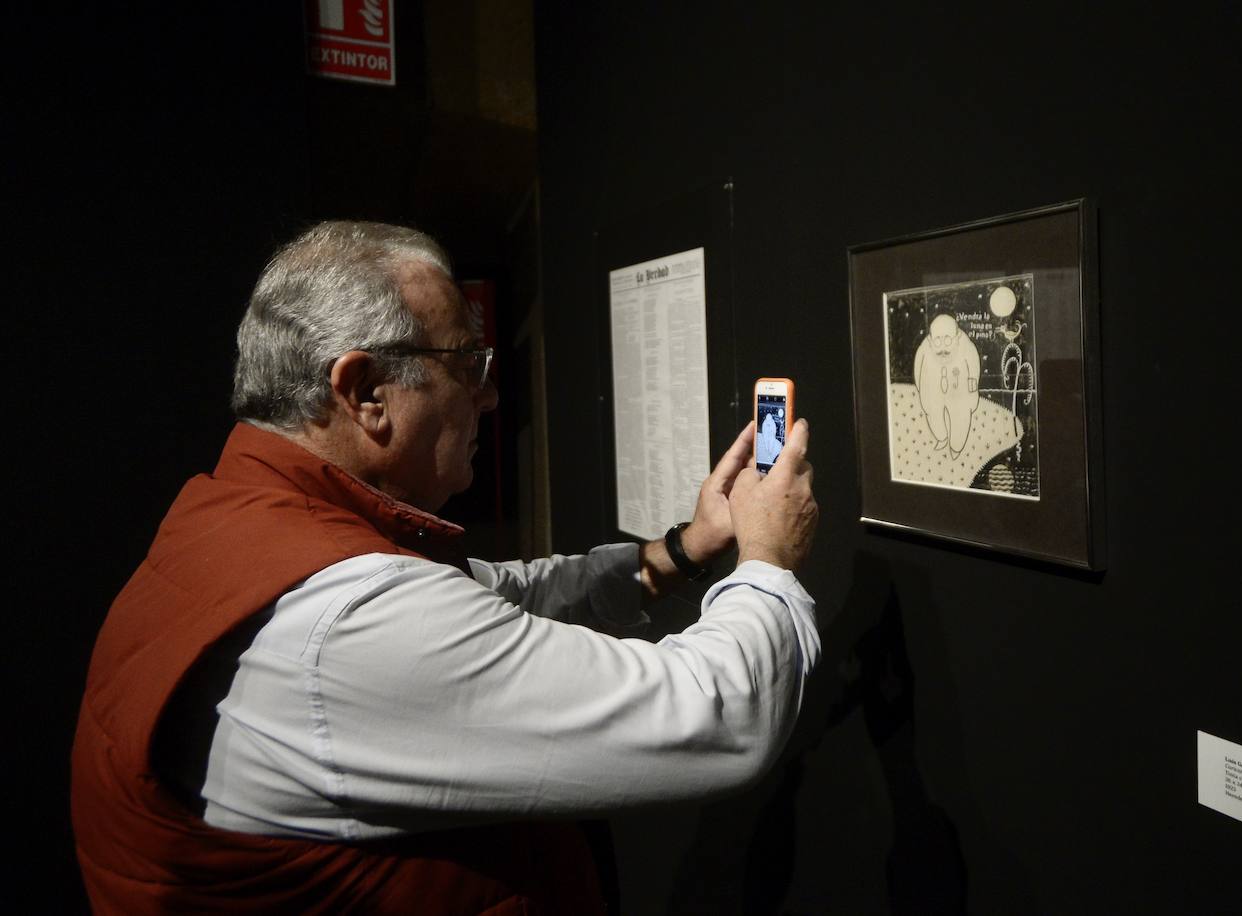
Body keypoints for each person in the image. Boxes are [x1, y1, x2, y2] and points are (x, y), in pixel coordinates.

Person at [71, 221, 820, 914]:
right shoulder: (344, 624)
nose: (491, 396)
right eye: (468, 364)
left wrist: (682, 552)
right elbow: (717, 715)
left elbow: (499, 597)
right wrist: (770, 556)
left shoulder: (235, 524)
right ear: (365, 394)